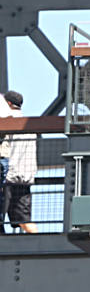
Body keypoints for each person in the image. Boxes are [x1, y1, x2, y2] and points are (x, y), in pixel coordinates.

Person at [1, 91, 37, 232]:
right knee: (24, 220)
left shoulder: (7, 122)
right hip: (25, 177)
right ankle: (38, 245)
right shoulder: (30, 125)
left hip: (9, 177)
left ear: (8, 104)